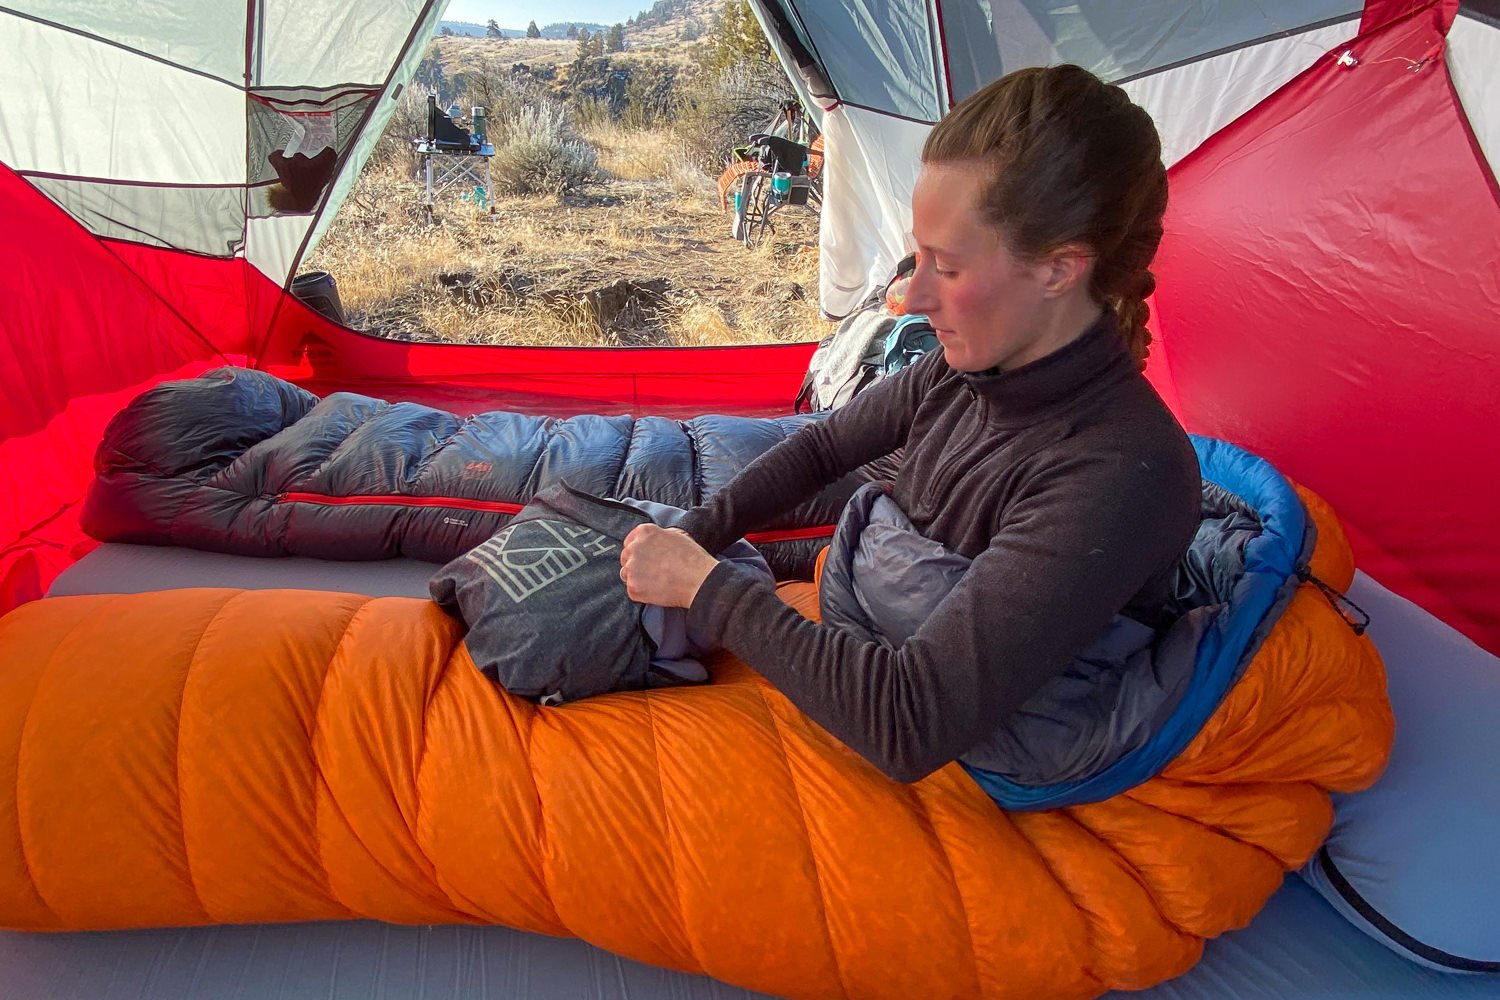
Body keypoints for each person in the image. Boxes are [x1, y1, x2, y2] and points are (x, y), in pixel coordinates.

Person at [619, 65, 1201, 784]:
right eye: (914, 256)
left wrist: (710, 590)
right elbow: (825, 447)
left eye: (947, 267)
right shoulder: (970, 369)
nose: (908, 296)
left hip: (957, 755)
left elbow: (910, 721)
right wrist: (693, 537)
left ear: (1059, 270)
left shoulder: (1119, 472)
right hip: (867, 652)